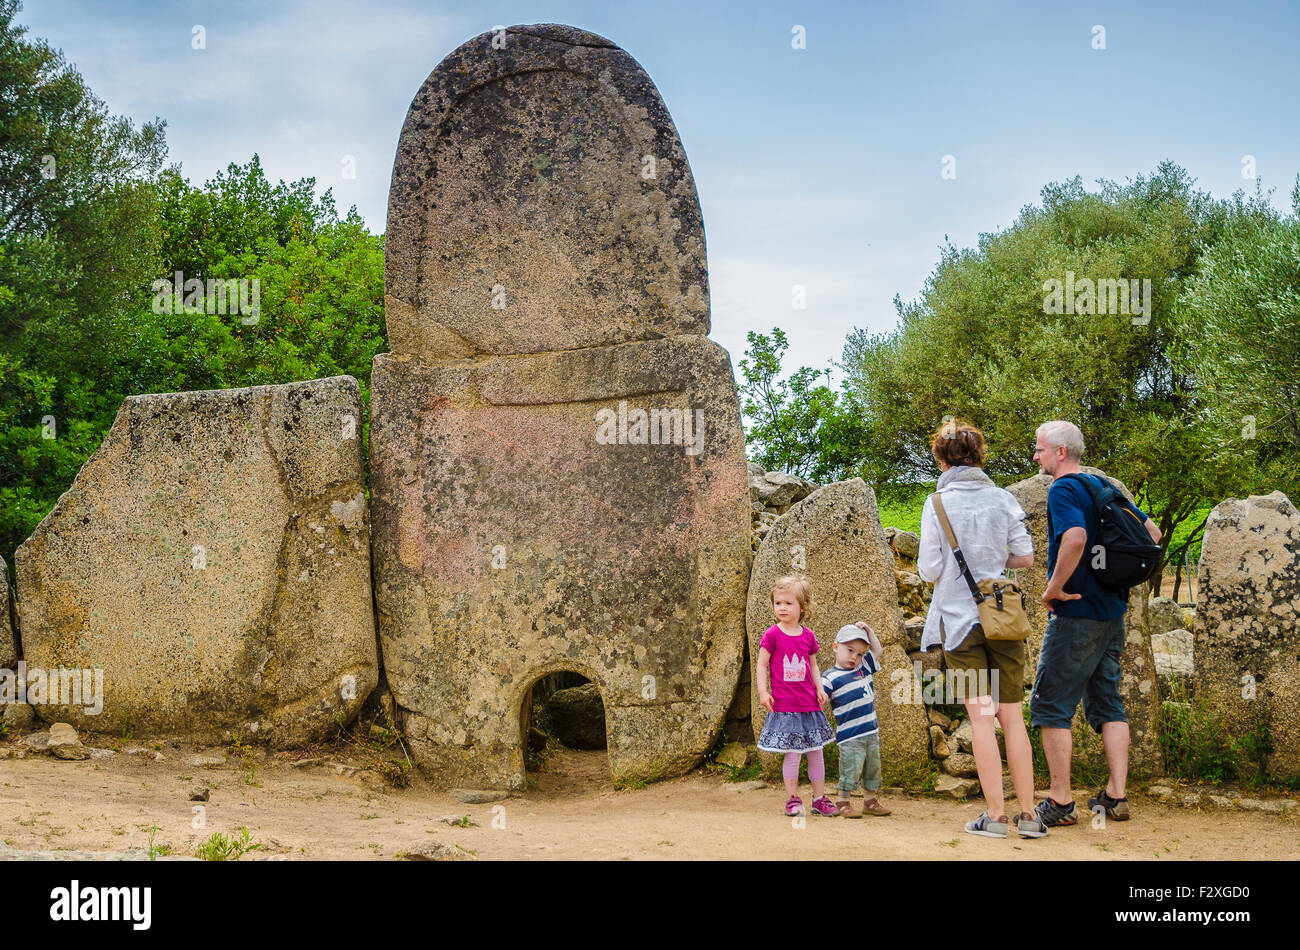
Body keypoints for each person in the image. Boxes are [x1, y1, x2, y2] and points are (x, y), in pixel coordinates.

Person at [917, 419, 1047, 839]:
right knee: (1013, 717)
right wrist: (991, 564)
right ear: (979, 456)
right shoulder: (1002, 499)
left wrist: (963, 566)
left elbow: (929, 569)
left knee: (980, 717)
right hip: (1002, 619)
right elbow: (1025, 558)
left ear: (940, 459)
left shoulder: (936, 503)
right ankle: (1029, 815)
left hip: (959, 624)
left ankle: (995, 817)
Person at [1029, 420, 1161, 827]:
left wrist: (1054, 589)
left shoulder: (1064, 489)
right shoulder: (1105, 489)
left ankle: (1060, 802)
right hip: (1112, 614)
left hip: (1077, 614)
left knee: (1049, 705)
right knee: (1107, 702)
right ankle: (1116, 796)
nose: (1036, 456)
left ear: (1060, 452)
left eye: (1040, 449)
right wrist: (1114, 581)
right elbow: (1152, 533)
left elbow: (1075, 538)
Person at [756, 574, 838, 817]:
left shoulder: (808, 636)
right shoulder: (772, 635)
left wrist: (820, 688)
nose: (782, 607)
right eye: (778, 603)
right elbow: (762, 665)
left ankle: (819, 798)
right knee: (793, 755)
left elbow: (812, 665)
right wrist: (763, 691)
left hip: (809, 706)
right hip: (785, 707)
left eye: (788, 603)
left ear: (802, 607)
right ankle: (792, 799)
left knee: (816, 753)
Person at [821, 622, 891, 818]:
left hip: (871, 732)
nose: (855, 657)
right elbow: (821, 699)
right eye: (850, 651)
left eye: (859, 654)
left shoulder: (864, 668)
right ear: (836, 647)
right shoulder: (830, 677)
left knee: (872, 768)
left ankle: (870, 801)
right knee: (851, 769)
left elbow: (878, 650)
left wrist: (869, 631)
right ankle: (843, 801)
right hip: (850, 736)